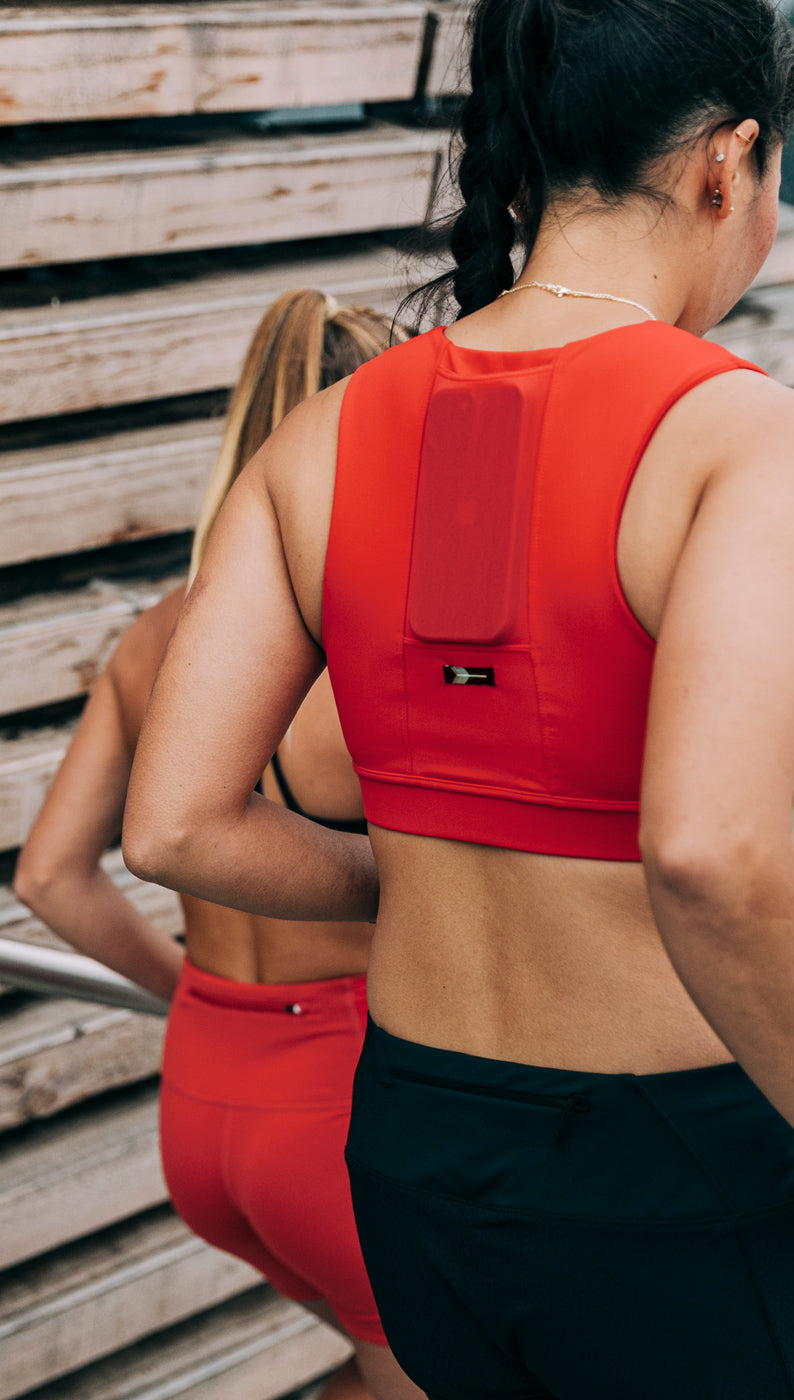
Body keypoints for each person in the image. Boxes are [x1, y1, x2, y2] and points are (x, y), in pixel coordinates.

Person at [122, 2, 794, 1397]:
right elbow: (707, 849)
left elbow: (173, 827)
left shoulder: (320, 439)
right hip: (669, 1177)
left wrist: (431, 871)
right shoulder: (764, 441)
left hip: (416, 1154)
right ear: (727, 161)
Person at [14, 292, 424, 1400]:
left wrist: (195, 996)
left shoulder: (159, 635)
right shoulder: (365, 644)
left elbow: (48, 875)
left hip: (203, 1112)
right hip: (344, 1113)